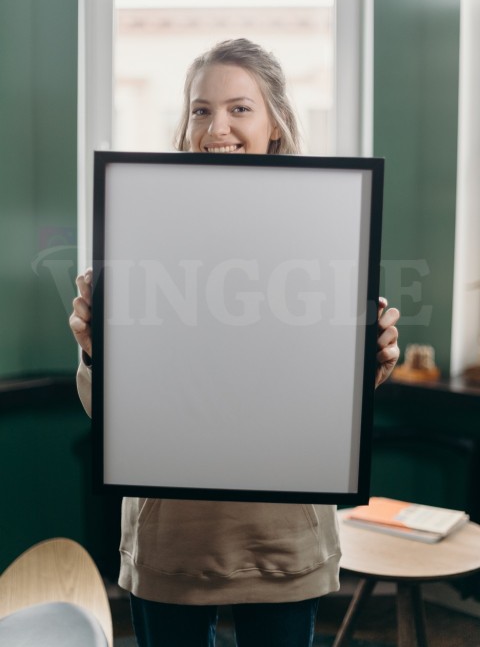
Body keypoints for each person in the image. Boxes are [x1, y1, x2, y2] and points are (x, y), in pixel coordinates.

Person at [70, 38, 400, 647]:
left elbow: (324, 403)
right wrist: (95, 351)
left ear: (275, 122)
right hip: (172, 538)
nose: (216, 126)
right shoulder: (140, 229)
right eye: (200, 109)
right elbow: (110, 412)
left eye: (239, 108)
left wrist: (370, 361)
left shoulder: (326, 232)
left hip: (281, 540)